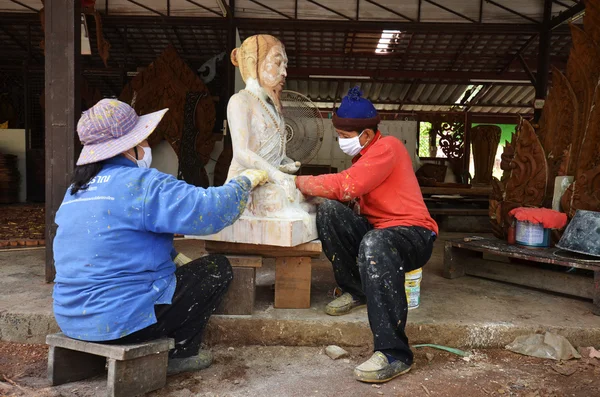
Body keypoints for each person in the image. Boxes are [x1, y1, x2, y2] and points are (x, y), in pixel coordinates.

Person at [52, 99, 268, 375]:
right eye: (144, 141)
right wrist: (243, 182)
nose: (147, 147)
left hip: (71, 319)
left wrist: (172, 255)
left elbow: (115, 241)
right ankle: (180, 351)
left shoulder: (75, 190)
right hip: (122, 321)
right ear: (130, 148)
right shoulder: (144, 185)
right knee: (216, 268)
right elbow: (210, 210)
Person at [294, 87, 438, 383]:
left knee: (375, 241)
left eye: (346, 137)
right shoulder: (365, 157)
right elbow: (347, 196)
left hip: (415, 233)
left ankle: (395, 354)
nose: (341, 142)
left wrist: (295, 182)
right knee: (330, 212)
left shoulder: (389, 147)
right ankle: (356, 290)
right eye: (340, 135)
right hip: (382, 232)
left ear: (369, 135)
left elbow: (347, 185)